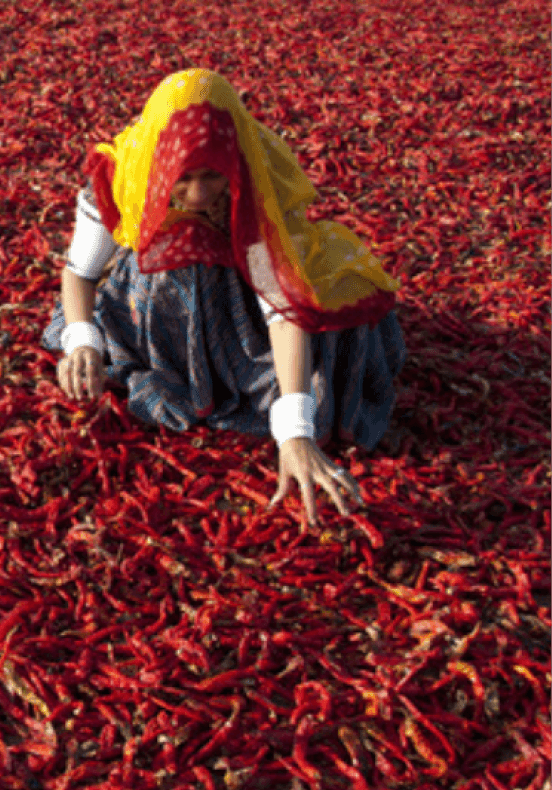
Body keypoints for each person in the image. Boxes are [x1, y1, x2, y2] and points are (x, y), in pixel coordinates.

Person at [41, 68, 406, 527]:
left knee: (322, 375)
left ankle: (222, 372)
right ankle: (179, 362)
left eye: (212, 176)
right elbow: (81, 273)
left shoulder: (255, 179)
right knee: (163, 267)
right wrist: (82, 340)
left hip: (242, 315)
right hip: (158, 314)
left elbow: (280, 306)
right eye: (184, 177)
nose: (197, 195)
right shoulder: (122, 174)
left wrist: (295, 431)